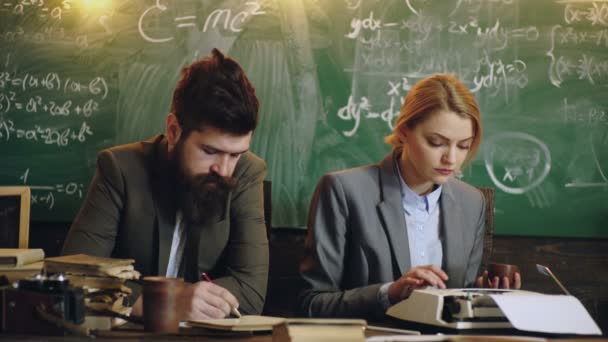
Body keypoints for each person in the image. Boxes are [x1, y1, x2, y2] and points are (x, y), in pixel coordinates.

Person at [62, 48, 268, 320]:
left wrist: (191, 301)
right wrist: (170, 302)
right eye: (210, 151)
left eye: (236, 154)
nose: (224, 170)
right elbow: (72, 276)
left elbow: (251, 291)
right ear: (173, 131)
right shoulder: (119, 169)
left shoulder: (247, 173)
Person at [298, 74, 521, 319]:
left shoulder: (472, 202)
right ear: (404, 131)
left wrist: (485, 297)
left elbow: (457, 308)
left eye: (464, 146)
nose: (452, 159)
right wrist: (389, 293)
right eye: (436, 143)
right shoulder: (343, 190)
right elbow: (311, 304)